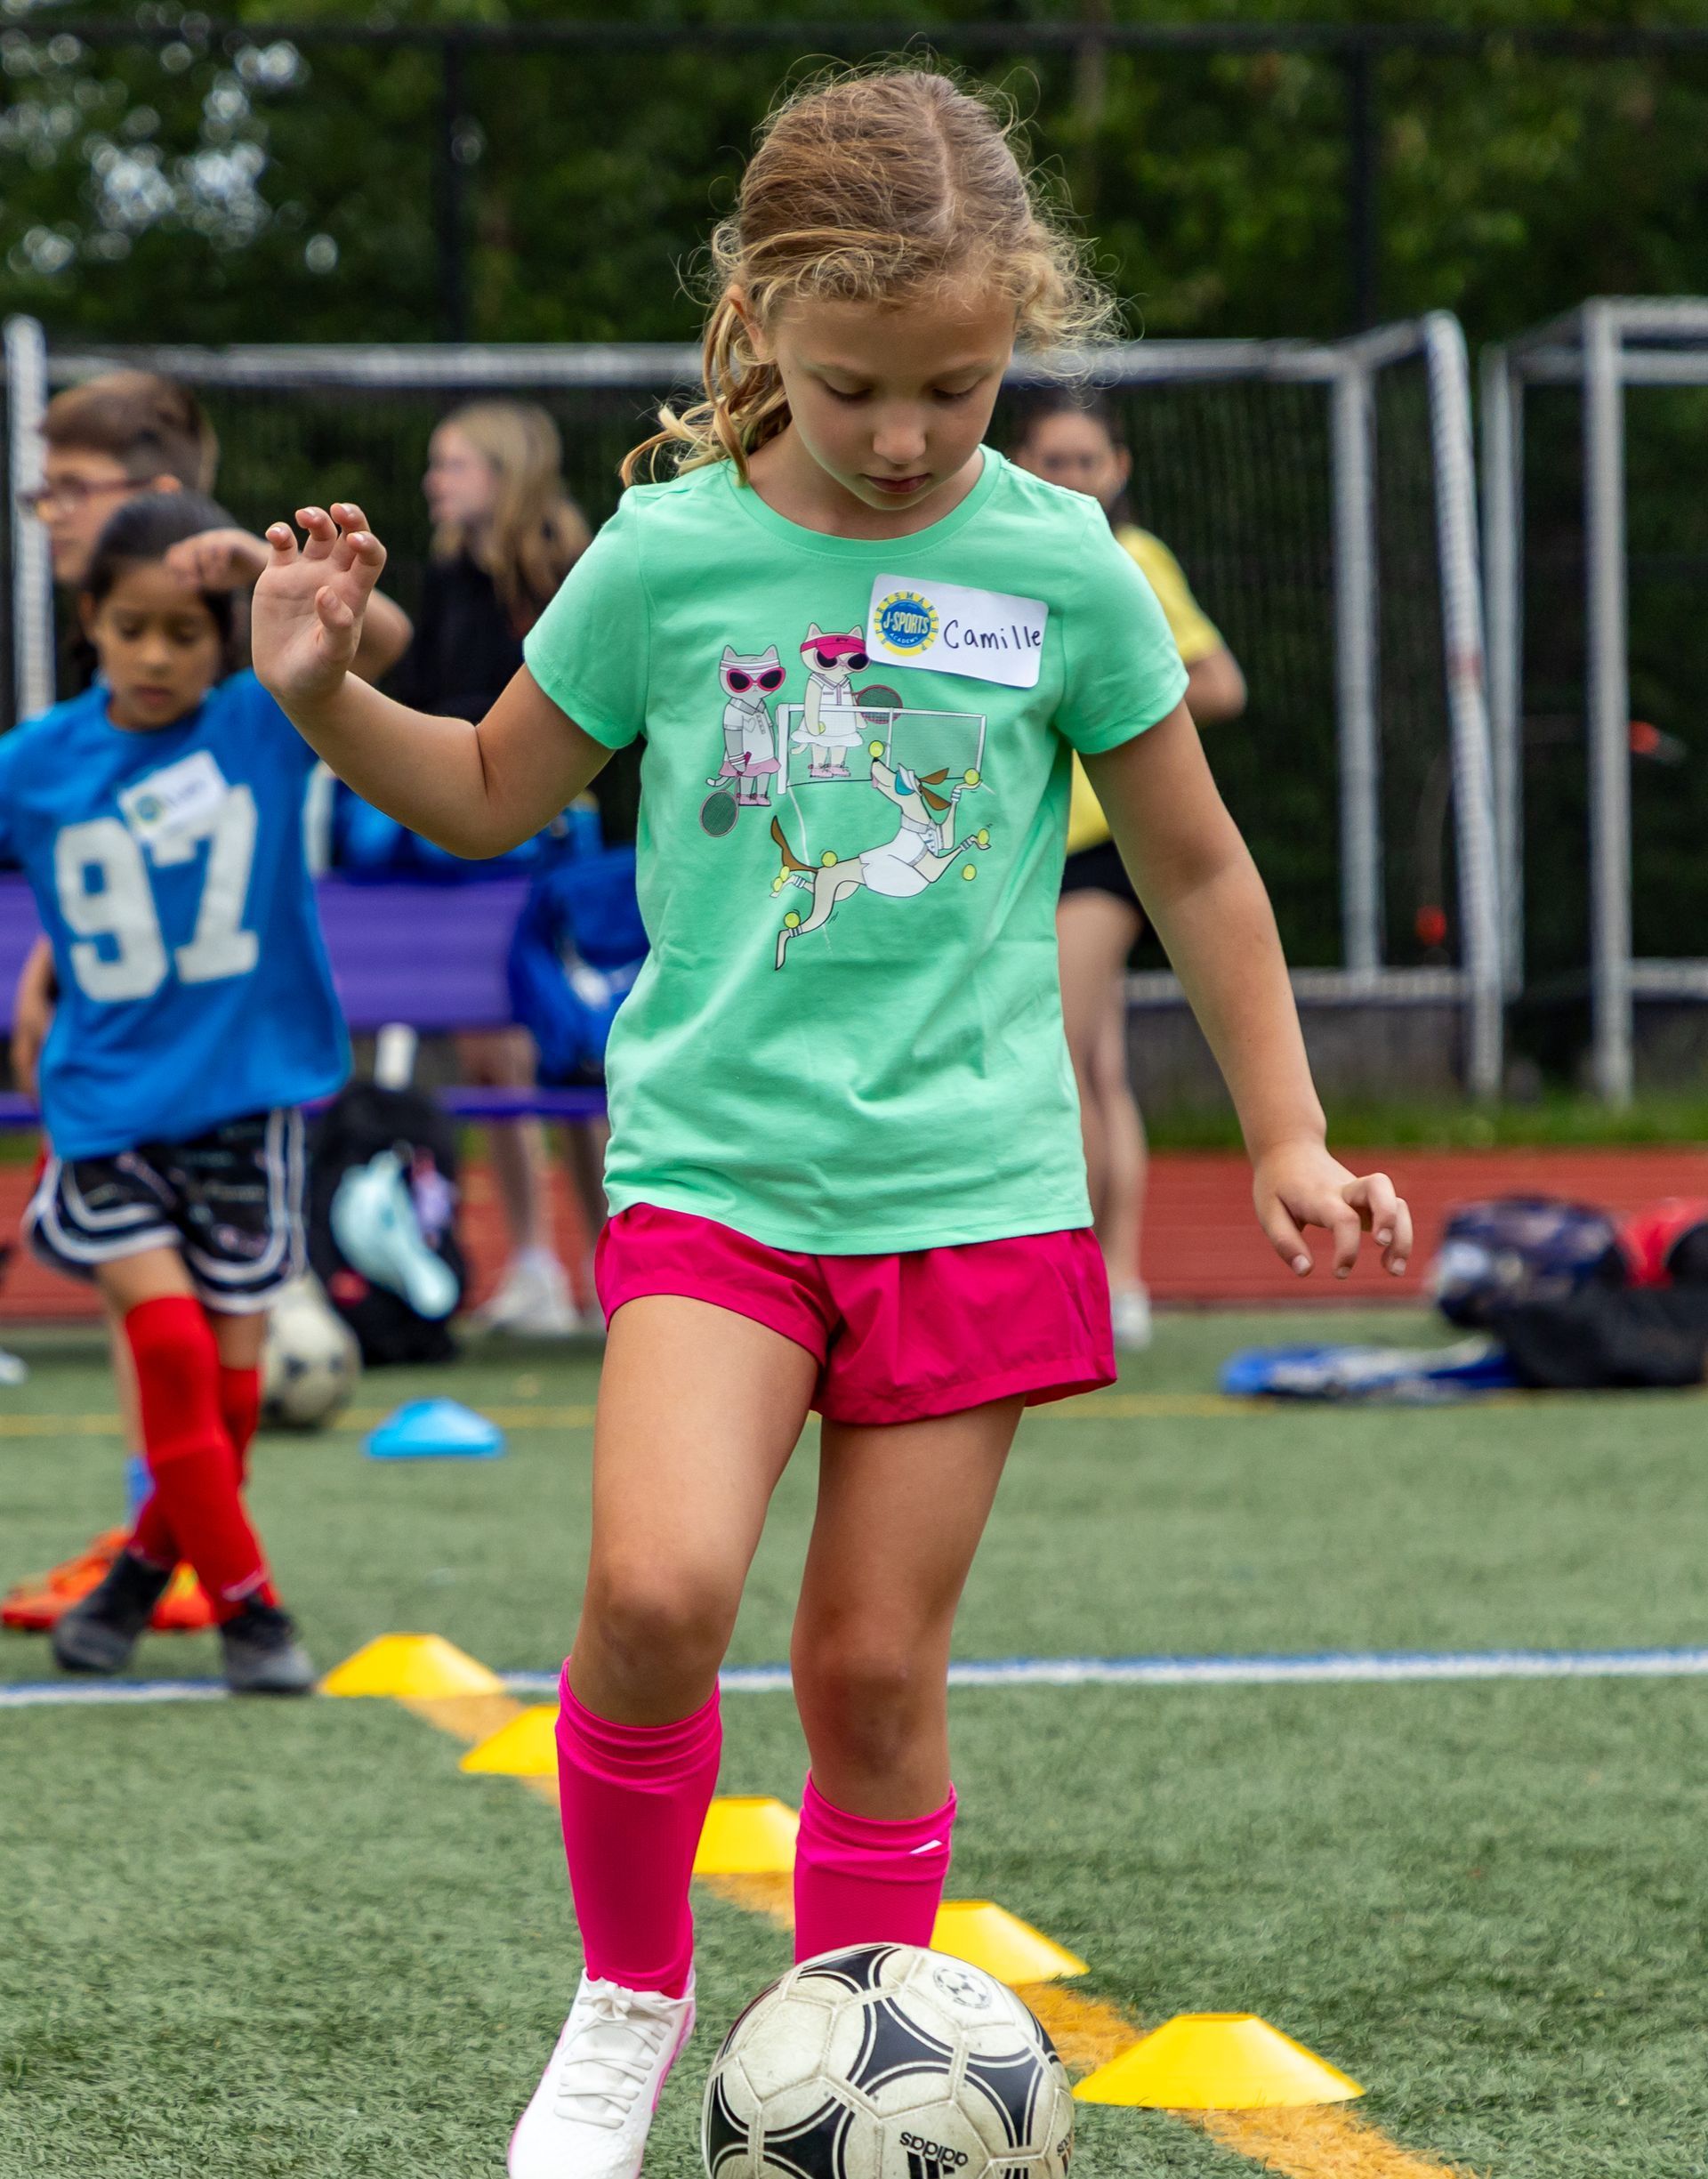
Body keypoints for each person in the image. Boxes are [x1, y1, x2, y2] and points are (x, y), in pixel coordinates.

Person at [248, 65, 1412, 2176]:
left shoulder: (1063, 562)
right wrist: (324, 693)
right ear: (761, 317)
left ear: (1013, 349)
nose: (902, 438)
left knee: (872, 1670)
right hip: (717, 1175)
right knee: (659, 1590)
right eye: (860, 383)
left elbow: (1200, 864)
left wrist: (1287, 1129)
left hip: (970, 1191)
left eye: (955, 392)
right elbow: (496, 794)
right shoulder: (666, 554)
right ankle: (627, 1993)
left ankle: (845, 2044)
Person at [4, 373, 408, 1636]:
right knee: (176, 1353)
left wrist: (265, 574)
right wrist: (42, 969)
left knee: (227, 1394)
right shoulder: (38, 760)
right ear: (92, 627)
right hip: (112, 1097)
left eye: (191, 630)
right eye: (139, 631)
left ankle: (137, 1576)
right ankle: (251, 1606)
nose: (165, 654)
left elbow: (384, 649)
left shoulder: (257, 721)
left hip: (247, 1092)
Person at [1011, 389, 1247, 1349]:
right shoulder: (1004, 560)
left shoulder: (1131, 561)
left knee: (1061, 1057)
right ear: (1020, 464)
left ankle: (1085, 1275)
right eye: (1051, 463)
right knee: (1098, 1064)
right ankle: (1117, 1273)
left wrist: (1115, 715)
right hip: (1021, 844)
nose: (1069, 479)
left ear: (1119, 470)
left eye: (1086, 462)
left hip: (1102, 848)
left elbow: (1218, 682)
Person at [386, 400, 605, 1336]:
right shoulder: (446, 571)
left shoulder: (562, 563)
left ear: (506, 469)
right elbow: (435, 695)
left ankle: (612, 1264)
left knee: (570, 1062)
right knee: (491, 1053)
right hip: (468, 839)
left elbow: (562, 700)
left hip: (547, 845)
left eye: (456, 463)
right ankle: (530, 1264)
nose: (438, 481)